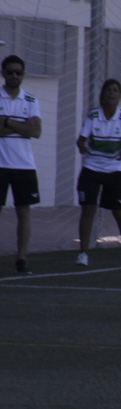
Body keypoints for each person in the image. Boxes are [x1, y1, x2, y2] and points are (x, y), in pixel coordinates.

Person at [76, 79, 121, 267]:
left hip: (115, 169)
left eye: (115, 91)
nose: (111, 94)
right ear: (102, 95)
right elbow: (81, 140)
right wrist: (82, 146)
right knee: (88, 209)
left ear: (119, 96)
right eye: (108, 91)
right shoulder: (93, 116)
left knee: (120, 212)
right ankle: (83, 253)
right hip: (92, 167)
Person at [0, 55, 42, 275]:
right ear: (3, 73)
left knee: (24, 212)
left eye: (18, 72)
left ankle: (22, 259)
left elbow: (36, 131)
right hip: (1, 165)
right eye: (10, 72)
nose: (14, 76)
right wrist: (22, 125)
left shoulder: (31, 101)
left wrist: (7, 121)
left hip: (24, 165)